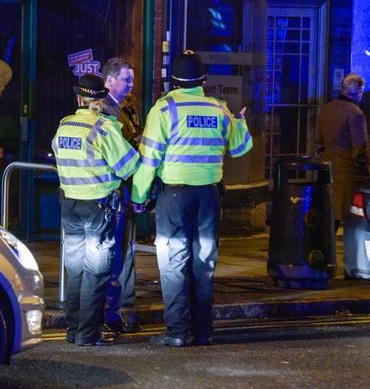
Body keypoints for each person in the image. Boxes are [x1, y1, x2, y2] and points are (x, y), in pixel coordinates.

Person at [132, 50, 252, 347]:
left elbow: (149, 160)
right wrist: (241, 122)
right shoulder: (220, 109)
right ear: (203, 81)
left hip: (174, 195)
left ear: (173, 81)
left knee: (174, 264)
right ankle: (203, 331)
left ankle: (176, 332)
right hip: (209, 197)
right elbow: (240, 149)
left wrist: (139, 195)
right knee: (203, 263)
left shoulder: (164, 110)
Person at [53, 73, 140, 346]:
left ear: (79, 99)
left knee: (75, 271)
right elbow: (129, 166)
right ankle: (88, 334)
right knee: (96, 273)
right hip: (98, 209)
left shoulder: (64, 126)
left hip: (70, 207)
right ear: (99, 100)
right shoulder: (103, 128)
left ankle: (73, 329)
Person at [100, 57, 142, 334]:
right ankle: (108, 314)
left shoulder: (122, 108)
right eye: (126, 79)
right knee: (113, 255)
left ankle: (112, 310)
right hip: (113, 192)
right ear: (109, 80)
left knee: (120, 252)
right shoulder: (104, 110)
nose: (131, 84)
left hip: (121, 192)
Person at [316, 73, 370, 231]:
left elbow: (318, 143)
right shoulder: (356, 114)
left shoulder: (326, 109)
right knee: (353, 220)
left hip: (328, 170)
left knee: (330, 219)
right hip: (349, 175)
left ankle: (323, 251)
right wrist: (365, 169)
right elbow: (359, 148)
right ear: (358, 91)